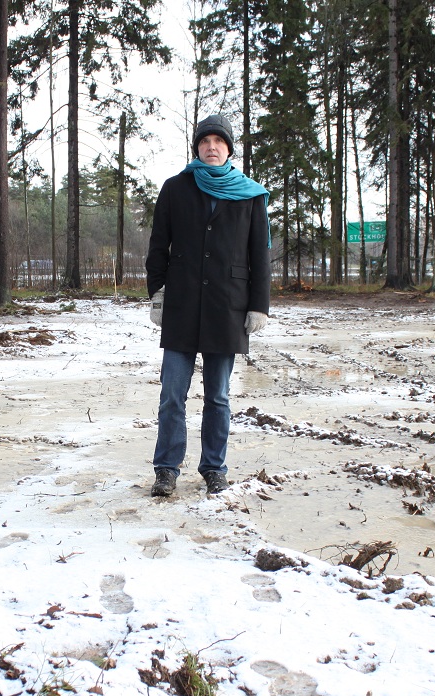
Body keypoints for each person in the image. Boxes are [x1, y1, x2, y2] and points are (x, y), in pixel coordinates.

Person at [145, 113, 271, 497]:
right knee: (172, 395)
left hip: (226, 307)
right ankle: (166, 470)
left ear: (229, 149)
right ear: (197, 148)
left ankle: (214, 469)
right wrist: (157, 293)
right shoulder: (175, 188)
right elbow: (158, 245)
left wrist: (259, 305)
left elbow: (259, 255)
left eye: (218, 141)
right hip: (181, 305)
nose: (211, 147)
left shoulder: (250, 195)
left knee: (218, 396)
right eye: (205, 141)